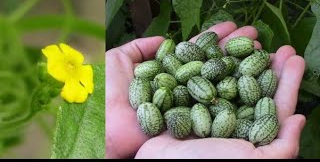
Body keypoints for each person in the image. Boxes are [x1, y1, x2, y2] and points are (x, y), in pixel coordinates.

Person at [106, 21, 306, 159]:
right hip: (202, 98)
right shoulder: (170, 85)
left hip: (215, 99)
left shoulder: (227, 88)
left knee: (234, 100)